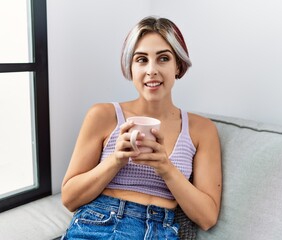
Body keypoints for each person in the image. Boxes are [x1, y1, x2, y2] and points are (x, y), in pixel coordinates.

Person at [61, 16, 222, 240]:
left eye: (163, 58)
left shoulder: (202, 130)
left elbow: (207, 217)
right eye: (141, 60)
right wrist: (116, 160)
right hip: (101, 223)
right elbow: (70, 199)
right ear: (131, 67)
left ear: (178, 65)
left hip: (162, 230)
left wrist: (166, 168)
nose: (151, 70)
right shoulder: (103, 115)